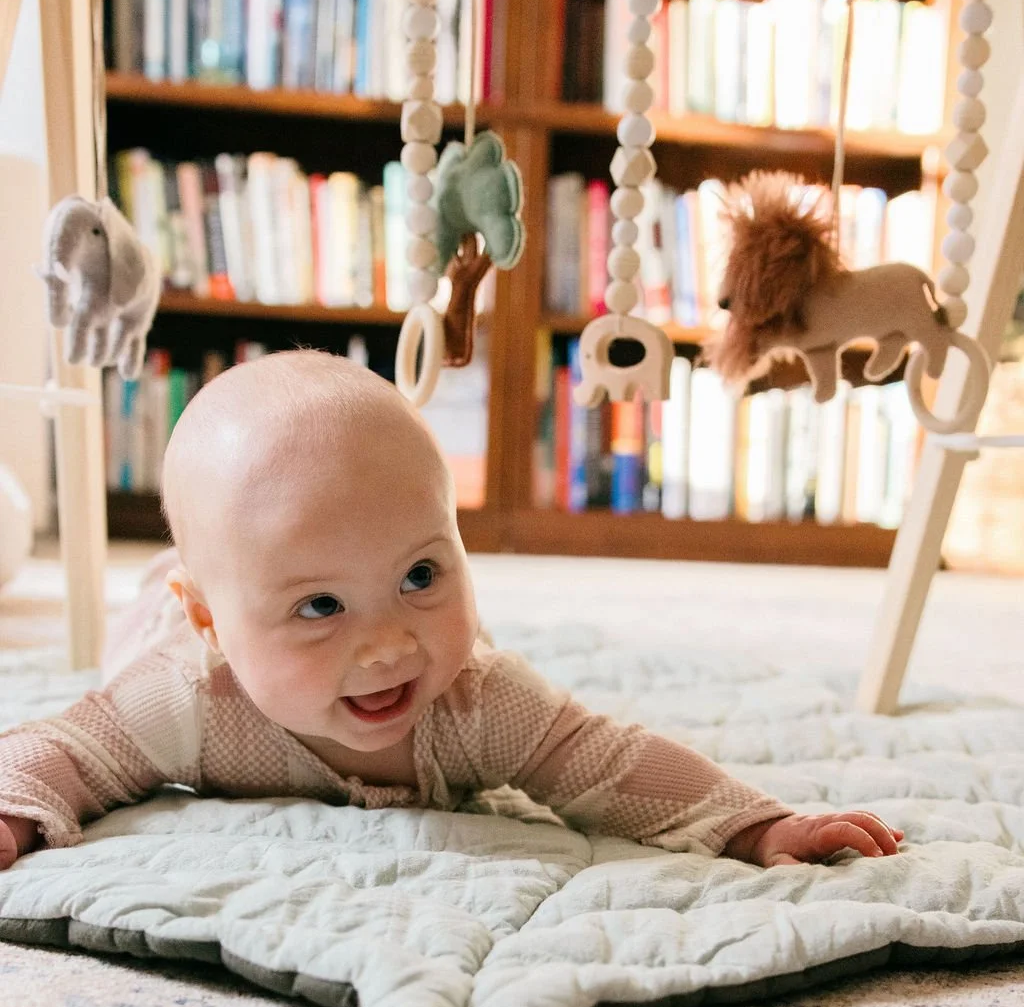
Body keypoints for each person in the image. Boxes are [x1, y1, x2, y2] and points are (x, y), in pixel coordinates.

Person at [0, 351, 901, 872]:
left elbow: (608, 761)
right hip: (160, 623)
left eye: (422, 575)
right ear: (210, 625)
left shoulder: (474, 702)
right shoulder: (187, 696)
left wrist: (756, 825)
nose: (389, 646)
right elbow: (65, 754)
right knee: (125, 655)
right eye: (320, 605)